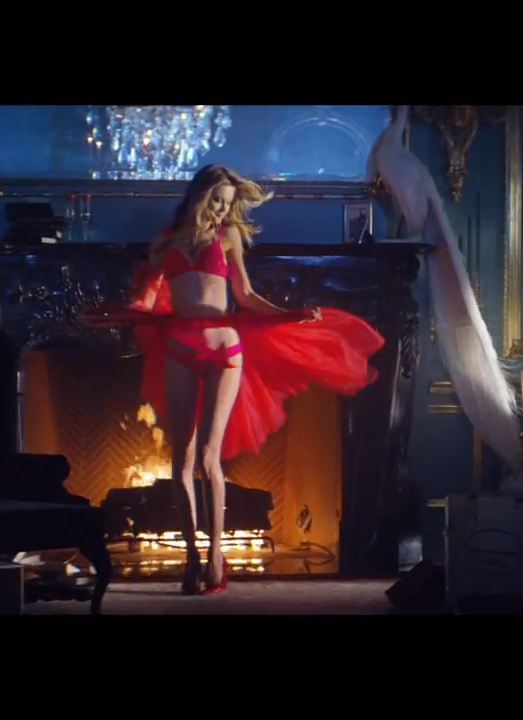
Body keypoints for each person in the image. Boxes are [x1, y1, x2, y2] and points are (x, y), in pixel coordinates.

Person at [89, 165, 385, 596]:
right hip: (180, 349)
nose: (221, 210)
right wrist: (118, 312)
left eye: (227, 204)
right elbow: (147, 299)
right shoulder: (164, 243)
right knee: (182, 456)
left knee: (209, 457)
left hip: (226, 349)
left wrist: (289, 316)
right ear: (198, 195)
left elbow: (245, 296)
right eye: (216, 200)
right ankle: (192, 558)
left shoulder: (228, 237)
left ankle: (215, 556)